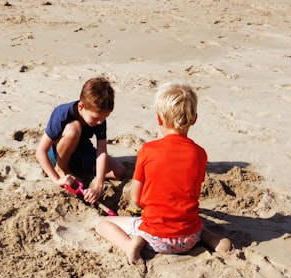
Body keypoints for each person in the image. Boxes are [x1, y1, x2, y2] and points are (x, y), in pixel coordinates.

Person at [96, 82, 232, 264]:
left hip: (156, 239)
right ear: (194, 119)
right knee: (196, 223)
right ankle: (215, 241)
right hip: (189, 239)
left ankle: (129, 245)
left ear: (159, 119)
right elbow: (191, 193)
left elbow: (136, 199)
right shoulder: (200, 154)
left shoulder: (147, 150)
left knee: (102, 224)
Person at [35, 77, 126, 204]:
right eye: (96, 118)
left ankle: (79, 168)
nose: (100, 122)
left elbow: (101, 151)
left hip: (82, 150)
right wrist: (56, 179)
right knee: (74, 128)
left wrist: (98, 186)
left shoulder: (100, 117)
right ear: (81, 106)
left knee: (119, 172)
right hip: (59, 152)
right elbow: (40, 152)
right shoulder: (62, 113)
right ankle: (62, 168)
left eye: (104, 118)